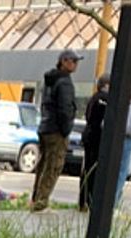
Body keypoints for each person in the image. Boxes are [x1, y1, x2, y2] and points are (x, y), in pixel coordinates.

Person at [31, 49, 80, 212]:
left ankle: (36, 198)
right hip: (56, 130)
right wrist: (66, 129)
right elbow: (65, 108)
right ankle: (41, 202)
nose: (75, 64)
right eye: (73, 61)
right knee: (53, 166)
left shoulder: (50, 80)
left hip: (46, 126)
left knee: (44, 164)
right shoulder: (64, 82)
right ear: (64, 61)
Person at [79, 75, 110, 213]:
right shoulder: (104, 99)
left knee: (87, 169)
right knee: (93, 171)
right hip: (96, 138)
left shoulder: (94, 97)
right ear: (107, 85)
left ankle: (83, 201)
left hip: (89, 136)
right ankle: (89, 201)